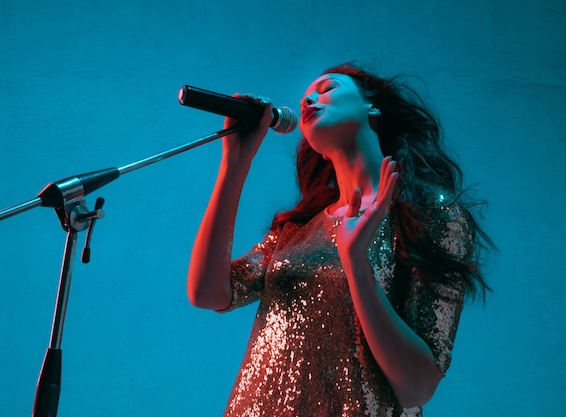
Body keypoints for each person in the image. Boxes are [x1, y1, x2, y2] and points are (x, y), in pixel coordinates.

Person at [187, 63, 492, 417]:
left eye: (326, 89)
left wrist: (356, 262)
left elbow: (417, 388)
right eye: (304, 98)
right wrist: (235, 164)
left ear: (371, 107)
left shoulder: (430, 213)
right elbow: (207, 293)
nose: (309, 99)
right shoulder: (298, 229)